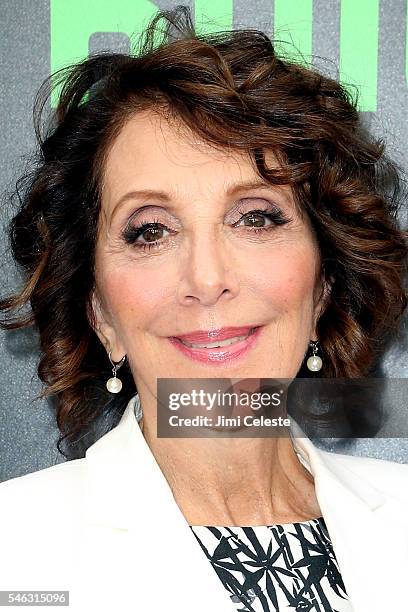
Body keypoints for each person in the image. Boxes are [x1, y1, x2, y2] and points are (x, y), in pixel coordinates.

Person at [0, 6, 407, 612]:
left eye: (256, 217)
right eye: (151, 231)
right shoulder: (16, 551)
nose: (207, 280)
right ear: (98, 310)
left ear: (324, 282)